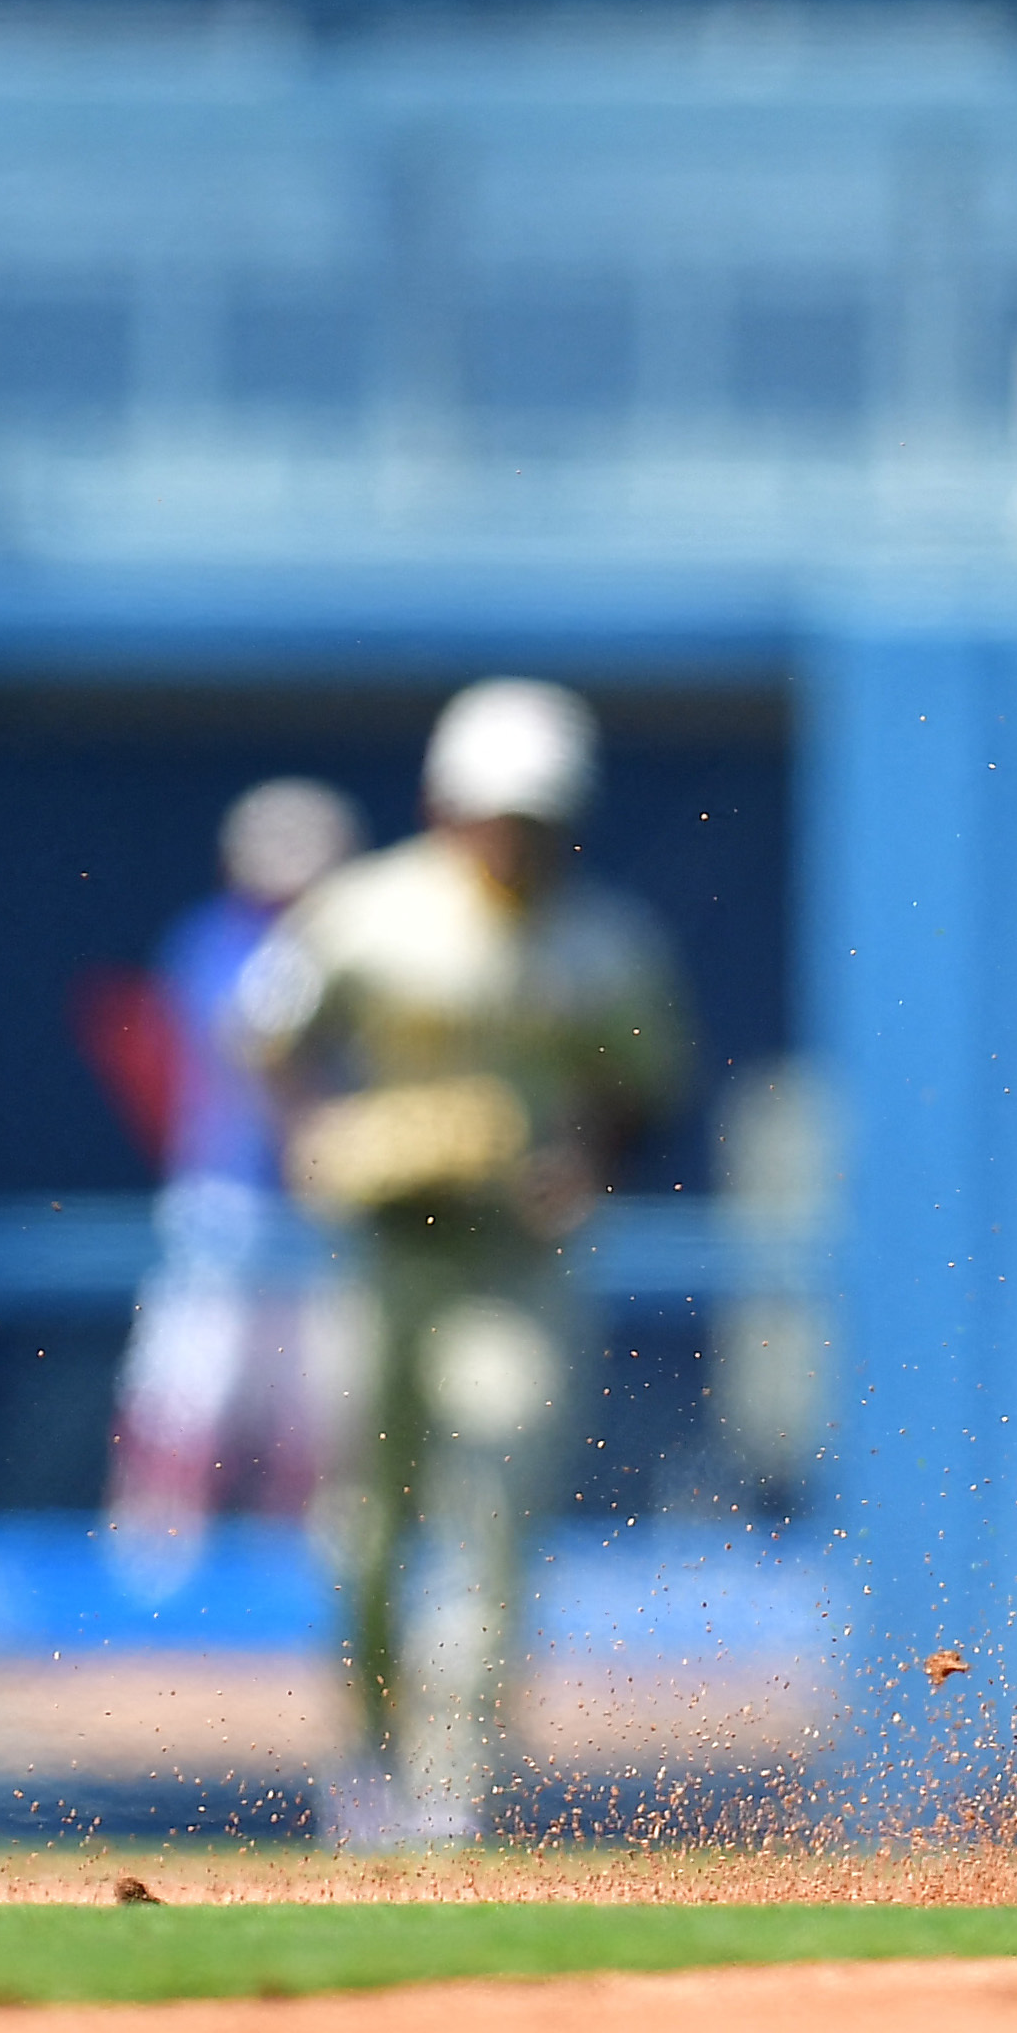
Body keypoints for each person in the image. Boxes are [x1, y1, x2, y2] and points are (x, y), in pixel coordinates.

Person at [237, 679, 690, 1851]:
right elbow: (270, 1034)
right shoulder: (371, 913)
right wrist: (314, 1135)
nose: (518, 837)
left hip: (515, 1253)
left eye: (538, 817)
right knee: (370, 1525)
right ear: (446, 805)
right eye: (499, 811)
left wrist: (587, 1159)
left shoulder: (603, 939)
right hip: (388, 1245)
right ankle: (368, 1757)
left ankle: (454, 1781)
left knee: (496, 1498)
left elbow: (640, 1085)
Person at [101, 776, 365, 1600]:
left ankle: (316, 1600)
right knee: (186, 1394)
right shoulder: (211, 940)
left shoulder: (363, 943)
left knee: (325, 1408)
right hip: (226, 1205)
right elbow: (240, 1055)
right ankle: (144, 1589)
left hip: (332, 1207)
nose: (288, 877)